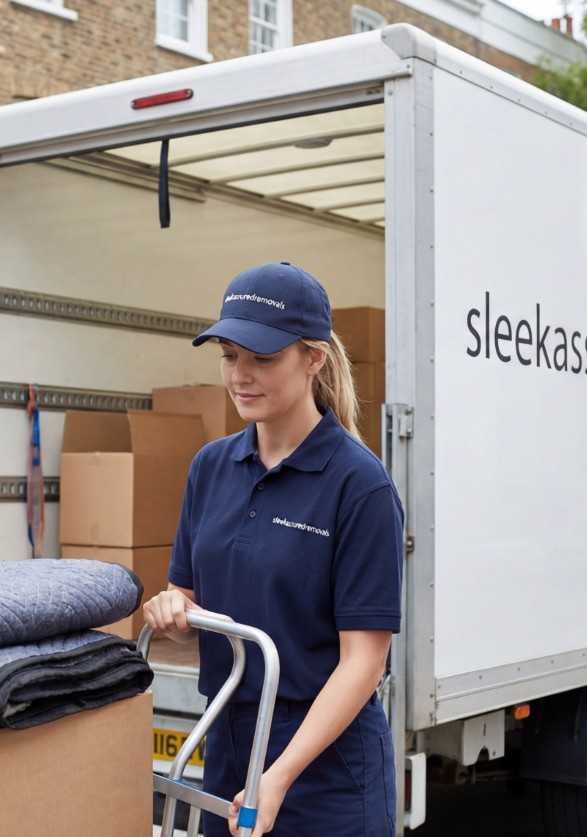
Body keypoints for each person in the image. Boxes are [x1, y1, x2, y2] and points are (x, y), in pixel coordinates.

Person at [143, 261, 404, 837]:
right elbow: (188, 597)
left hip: (324, 762)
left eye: (263, 358)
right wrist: (172, 610)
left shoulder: (358, 485)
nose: (241, 375)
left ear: (314, 359)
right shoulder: (211, 468)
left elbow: (365, 661)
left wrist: (279, 775)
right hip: (230, 738)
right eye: (230, 356)